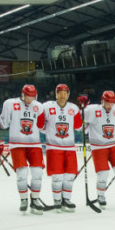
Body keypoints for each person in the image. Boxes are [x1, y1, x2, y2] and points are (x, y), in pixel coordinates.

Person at [0, 85, 47, 214]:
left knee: (37, 173)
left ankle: (35, 199)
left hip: (35, 145)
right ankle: (24, 199)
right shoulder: (10, 104)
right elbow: (3, 123)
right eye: (28, 96)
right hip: (17, 145)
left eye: (33, 97)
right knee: (22, 174)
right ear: (23, 94)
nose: (30, 99)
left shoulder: (39, 107)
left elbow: (42, 127)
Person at [83, 91, 115, 209]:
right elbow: (79, 121)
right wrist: (82, 107)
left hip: (113, 145)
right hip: (98, 147)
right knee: (103, 174)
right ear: (102, 101)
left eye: (112, 103)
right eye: (107, 103)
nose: (110, 106)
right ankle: (100, 196)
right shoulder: (92, 110)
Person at [36, 84, 83, 212]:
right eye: (60, 92)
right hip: (53, 147)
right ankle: (57, 200)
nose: (62, 95)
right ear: (56, 94)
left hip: (70, 147)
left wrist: (82, 109)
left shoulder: (73, 108)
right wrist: (50, 132)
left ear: (68, 94)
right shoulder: (46, 107)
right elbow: (40, 125)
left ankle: (66, 199)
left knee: (69, 175)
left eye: (65, 92)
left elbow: (78, 126)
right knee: (57, 176)